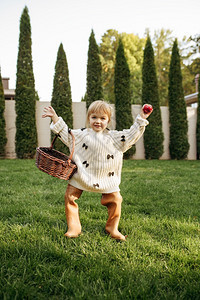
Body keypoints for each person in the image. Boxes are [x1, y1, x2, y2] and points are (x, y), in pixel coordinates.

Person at [42, 100, 152, 241]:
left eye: (102, 118)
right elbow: (66, 133)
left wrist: (142, 118)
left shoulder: (115, 138)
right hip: (81, 176)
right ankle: (74, 227)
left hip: (108, 178)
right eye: (94, 117)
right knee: (69, 197)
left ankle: (112, 228)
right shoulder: (81, 135)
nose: (98, 121)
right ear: (89, 118)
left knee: (116, 200)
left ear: (108, 120)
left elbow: (132, 134)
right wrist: (55, 117)